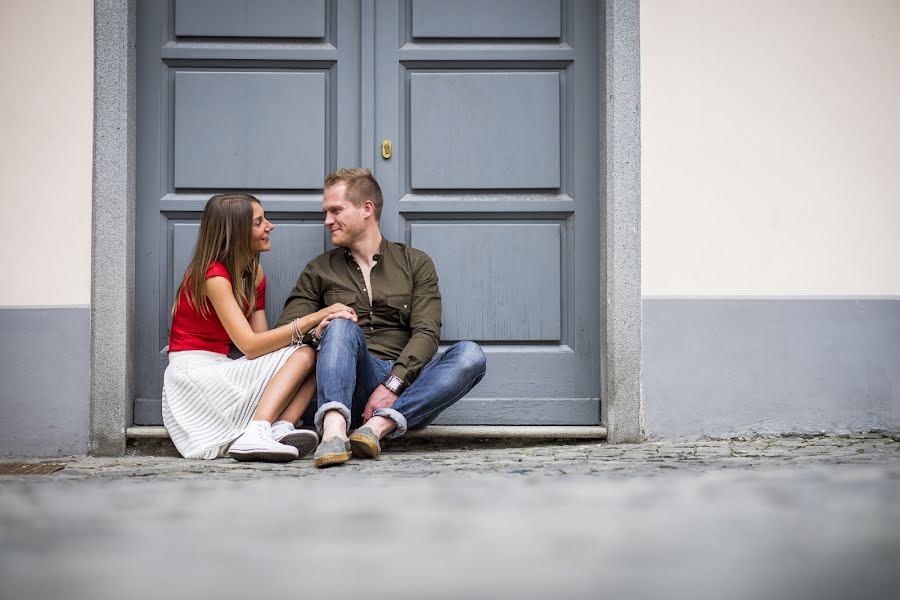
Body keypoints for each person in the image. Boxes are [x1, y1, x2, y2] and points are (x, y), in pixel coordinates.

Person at [276, 168, 487, 468]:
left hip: (406, 385)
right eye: (326, 212)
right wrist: (317, 327)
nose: (327, 221)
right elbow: (285, 330)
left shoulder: (415, 263)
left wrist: (392, 385)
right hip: (352, 380)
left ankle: (376, 428)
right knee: (339, 323)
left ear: (367, 209)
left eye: (335, 211)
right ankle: (333, 434)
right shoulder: (319, 269)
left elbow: (426, 332)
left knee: (470, 355)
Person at [162, 193, 356, 462]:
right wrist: (314, 317)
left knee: (316, 351)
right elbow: (250, 346)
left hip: (222, 368)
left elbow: (263, 343)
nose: (269, 226)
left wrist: (314, 332)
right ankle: (257, 431)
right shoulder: (213, 276)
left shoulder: (254, 275)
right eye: (258, 222)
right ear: (236, 233)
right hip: (193, 376)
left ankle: (279, 429)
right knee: (304, 354)